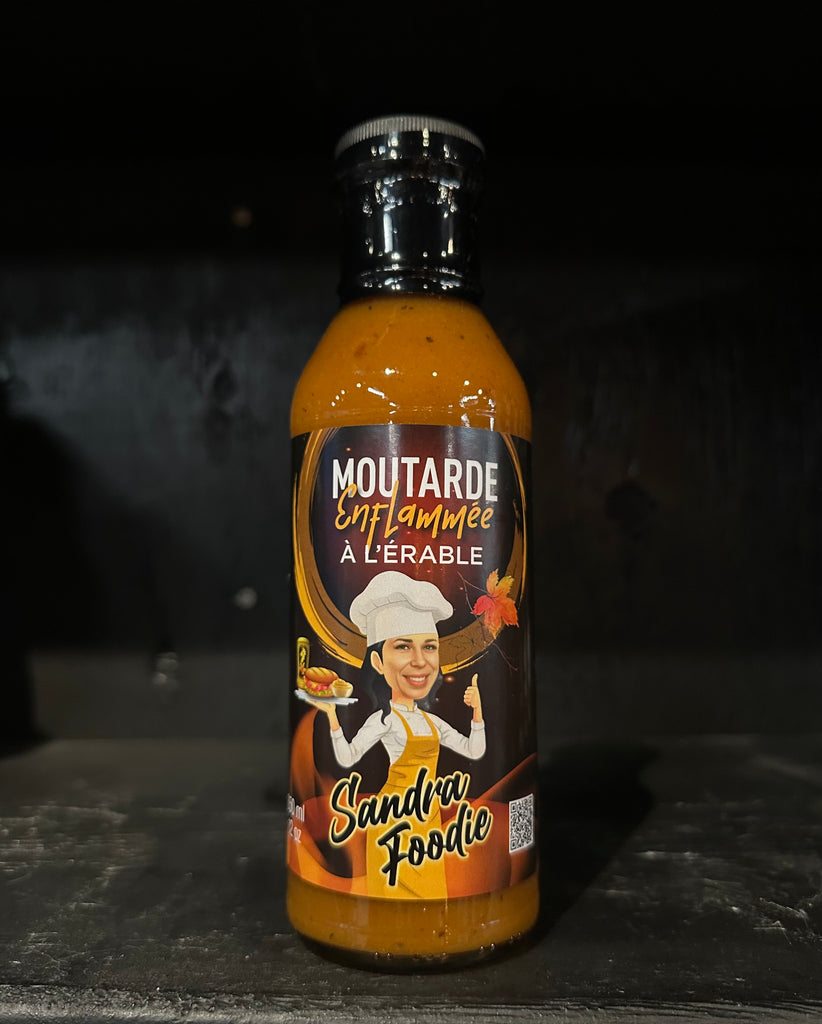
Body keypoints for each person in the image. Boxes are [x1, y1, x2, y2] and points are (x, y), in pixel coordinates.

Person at [307, 571, 485, 898]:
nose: (419, 662)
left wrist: (477, 711)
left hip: (428, 820)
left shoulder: (431, 722)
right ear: (378, 661)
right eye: (403, 647)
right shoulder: (384, 720)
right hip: (392, 822)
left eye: (429, 647)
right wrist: (332, 715)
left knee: (433, 890)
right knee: (390, 891)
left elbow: (474, 750)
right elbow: (347, 756)